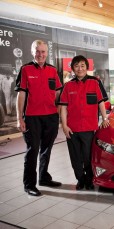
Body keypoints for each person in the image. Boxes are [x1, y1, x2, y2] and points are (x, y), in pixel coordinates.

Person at [15, 40, 62, 196]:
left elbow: (57, 92)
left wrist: (58, 109)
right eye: (37, 51)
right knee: (33, 150)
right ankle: (29, 184)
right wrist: (19, 118)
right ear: (32, 51)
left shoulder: (52, 70)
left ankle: (44, 177)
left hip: (50, 117)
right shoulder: (25, 69)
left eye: (43, 51)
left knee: (46, 149)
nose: (40, 54)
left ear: (47, 52)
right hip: (31, 117)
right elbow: (21, 94)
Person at [58, 55, 109, 190]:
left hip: (88, 129)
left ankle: (89, 179)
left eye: (82, 66)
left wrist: (105, 119)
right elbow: (63, 107)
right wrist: (64, 125)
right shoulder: (68, 86)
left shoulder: (94, 83)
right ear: (72, 68)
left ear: (87, 67)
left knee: (87, 157)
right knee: (75, 158)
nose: (79, 69)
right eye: (76, 66)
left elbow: (101, 102)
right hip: (72, 129)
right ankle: (80, 180)